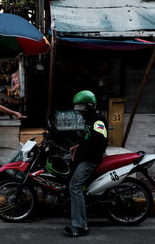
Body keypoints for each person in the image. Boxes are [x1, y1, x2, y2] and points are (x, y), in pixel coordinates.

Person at [63, 90, 108, 237]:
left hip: (91, 160)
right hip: (85, 155)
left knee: (74, 187)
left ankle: (80, 226)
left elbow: (98, 144)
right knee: (63, 158)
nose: (80, 113)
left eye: (82, 110)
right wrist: (78, 146)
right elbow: (88, 138)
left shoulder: (98, 120)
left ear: (89, 107)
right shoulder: (89, 119)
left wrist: (80, 154)